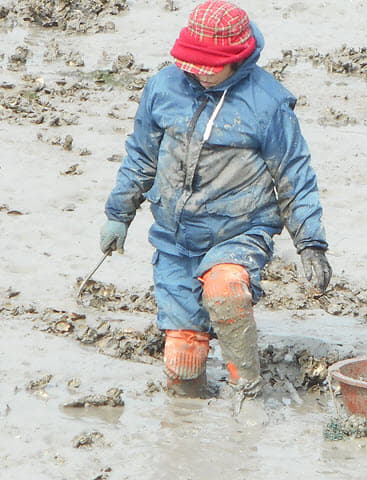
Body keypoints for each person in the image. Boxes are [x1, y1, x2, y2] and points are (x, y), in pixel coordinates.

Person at [99, 0, 331, 399]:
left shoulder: (267, 103)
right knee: (182, 362)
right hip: (175, 238)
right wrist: (119, 213)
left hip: (239, 231)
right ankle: (194, 419)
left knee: (224, 291)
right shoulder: (164, 87)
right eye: (193, 65)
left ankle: (248, 391)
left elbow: (295, 175)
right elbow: (141, 156)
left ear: (237, 60)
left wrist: (311, 244)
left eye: (211, 67)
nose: (200, 74)